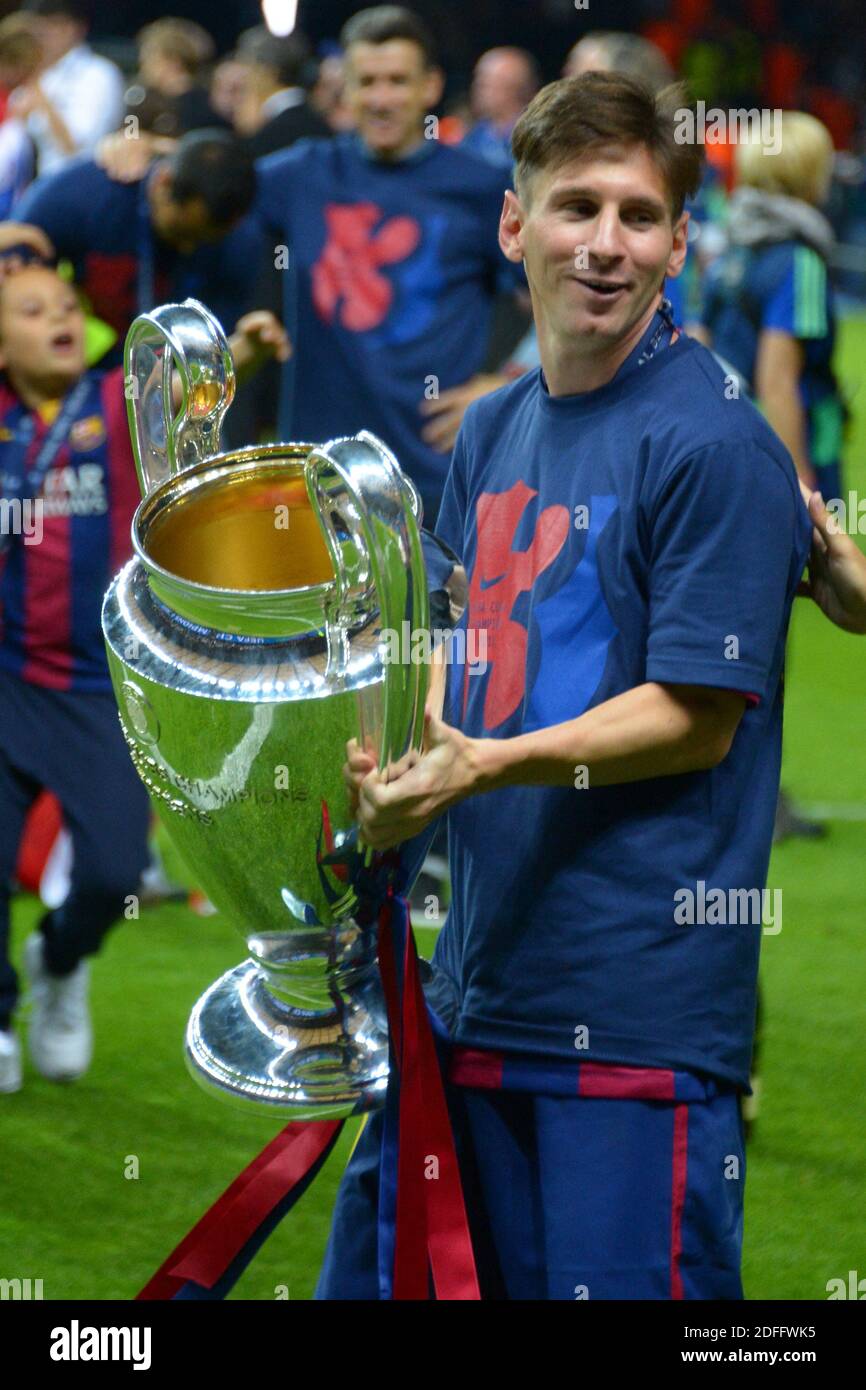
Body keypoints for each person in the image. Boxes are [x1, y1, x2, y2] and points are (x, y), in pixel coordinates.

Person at [318, 71, 812, 1300]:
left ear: (677, 241)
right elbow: (453, 657)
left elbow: (691, 720)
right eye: (574, 206)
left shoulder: (713, 441)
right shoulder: (492, 430)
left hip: (632, 1005)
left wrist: (480, 764)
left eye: (637, 216)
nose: (603, 244)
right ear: (511, 224)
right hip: (476, 984)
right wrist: (383, 763)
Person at [0, 257, 290, 1096]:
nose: (58, 316)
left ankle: (58, 961)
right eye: (30, 309)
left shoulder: (109, 405)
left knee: (112, 875)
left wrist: (245, 351)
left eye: (65, 303)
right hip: (9, 676)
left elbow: (187, 391)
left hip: (99, 688)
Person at [95, 7, 530, 527]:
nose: (382, 98)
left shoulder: (481, 186)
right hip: (317, 473)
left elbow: (542, 291)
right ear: (344, 87)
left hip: (436, 474)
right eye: (367, 81)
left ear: (431, 86)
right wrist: (146, 149)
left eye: (398, 81)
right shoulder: (305, 173)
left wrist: (502, 385)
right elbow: (220, 177)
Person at [1, 128, 261, 361]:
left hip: (168, 386)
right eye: (181, 232)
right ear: (163, 182)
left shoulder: (241, 238)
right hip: (80, 382)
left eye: (205, 239)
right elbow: (11, 302)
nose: (188, 249)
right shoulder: (75, 200)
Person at [700, 112, 842, 501]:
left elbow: (698, 338)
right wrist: (801, 482)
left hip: (727, 440)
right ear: (810, 177)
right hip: (790, 440)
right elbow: (778, 381)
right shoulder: (801, 261)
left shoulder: (730, 247)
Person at [12, 0, 123, 177]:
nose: (43, 35)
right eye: (39, 27)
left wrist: (42, 99)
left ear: (76, 28)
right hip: (39, 184)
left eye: (53, 25)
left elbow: (78, 149)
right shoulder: (44, 75)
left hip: (82, 183)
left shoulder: (99, 74)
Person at [232, 26, 331, 157]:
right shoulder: (322, 123)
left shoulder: (266, 138)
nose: (244, 78)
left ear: (266, 71)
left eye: (247, 66)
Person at [133, 18, 225, 138]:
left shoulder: (205, 106)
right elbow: (129, 136)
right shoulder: (141, 102)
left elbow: (204, 146)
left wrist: (155, 144)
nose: (144, 68)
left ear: (173, 62)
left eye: (150, 60)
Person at [461, 47, 539, 170]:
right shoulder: (471, 138)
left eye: (485, 83)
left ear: (515, 87)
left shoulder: (536, 137)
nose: (476, 87)